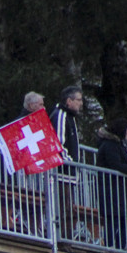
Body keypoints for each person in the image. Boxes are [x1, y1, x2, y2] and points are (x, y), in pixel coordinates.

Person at [96, 118, 127, 251]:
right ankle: (110, 250)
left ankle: (121, 251)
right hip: (112, 192)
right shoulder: (110, 145)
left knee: (124, 223)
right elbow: (116, 165)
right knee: (113, 223)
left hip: (120, 193)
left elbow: (126, 163)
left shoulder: (120, 146)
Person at [50, 85, 83, 219]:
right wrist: (70, 162)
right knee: (64, 208)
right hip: (62, 172)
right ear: (69, 101)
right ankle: (62, 235)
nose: (81, 104)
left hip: (69, 174)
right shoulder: (61, 115)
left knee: (68, 208)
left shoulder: (71, 117)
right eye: (79, 100)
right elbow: (58, 144)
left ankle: (66, 234)